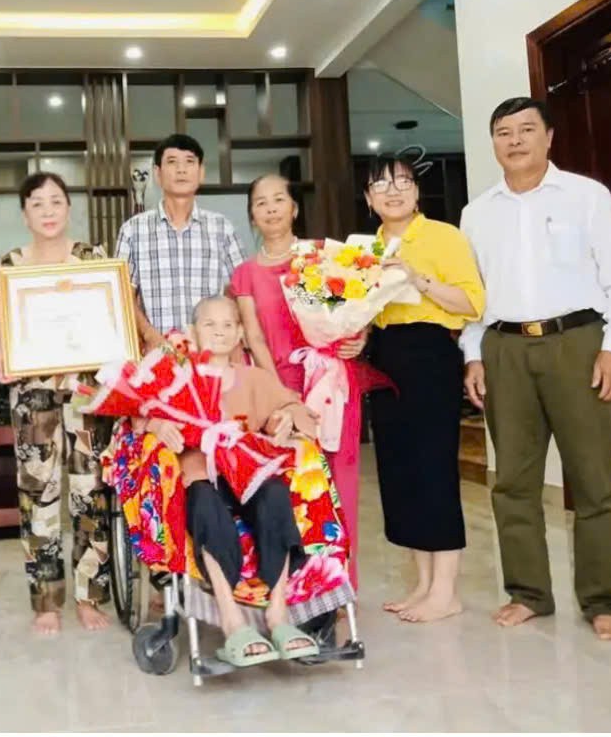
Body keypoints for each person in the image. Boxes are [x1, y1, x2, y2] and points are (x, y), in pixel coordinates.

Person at [461, 97, 611, 642]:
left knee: (592, 479)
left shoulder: (587, 197)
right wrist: (474, 353)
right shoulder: (477, 212)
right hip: (504, 348)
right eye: (502, 132)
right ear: (493, 143)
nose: (514, 140)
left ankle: (604, 600)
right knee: (512, 481)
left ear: (549, 137)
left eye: (525, 130)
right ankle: (528, 593)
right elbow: (475, 296)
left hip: (577, 344)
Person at [143, 296, 321, 665]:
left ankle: (278, 613)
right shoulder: (178, 377)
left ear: (240, 333)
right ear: (193, 333)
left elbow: (293, 407)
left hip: (247, 470)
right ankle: (231, 618)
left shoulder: (254, 378)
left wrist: (285, 418)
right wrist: (157, 424)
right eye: (210, 324)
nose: (220, 331)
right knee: (205, 503)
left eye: (228, 324)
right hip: (199, 474)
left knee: (275, 494)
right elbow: (139, 414)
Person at [362, 154, 485, 623]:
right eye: (380, 185)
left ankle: (446, 590)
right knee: (398, 471)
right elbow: (350, 304)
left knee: (433, 467)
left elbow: (472, 303)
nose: (392, 191)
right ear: (369, 199)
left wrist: (419, 279)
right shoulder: (365, 249)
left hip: (430, 353)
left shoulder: (444, 237)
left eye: (402, 182)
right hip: (384, 356)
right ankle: (422, 583)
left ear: (416, 191)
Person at [229, 173, 365, 591]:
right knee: (289, 487)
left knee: (338, 486)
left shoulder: (322, 258)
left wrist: (359, 337)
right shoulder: (245, 274)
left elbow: (351, 313)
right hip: (276, 386)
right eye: (260, 203)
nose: (270, 209)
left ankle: (341, 587)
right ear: (252, 215)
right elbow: (253, 336)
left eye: (278, 200)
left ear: (294, 207)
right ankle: (295, 586)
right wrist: (282, 397)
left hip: (330, 380)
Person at [0, 172, 111, 635]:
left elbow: (111, 314)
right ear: (24, 213)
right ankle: (45, 601)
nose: (47, 210)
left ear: (68, 208)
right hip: (32, 392)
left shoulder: (92, 258)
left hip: (87, 391)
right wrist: (1, 350)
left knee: (89, 493)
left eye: (56, 201)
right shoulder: (8, 265)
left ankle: (89, 596)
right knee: (38, 495)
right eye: (37, 203)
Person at [116, 134, 245, 345]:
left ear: (201, 172)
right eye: (172, 162)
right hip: (157, 353)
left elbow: (242, 293)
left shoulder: (223, 228)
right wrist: (150, 336)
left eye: (189, 162)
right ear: (157, 174)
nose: (181, 169)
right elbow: (122, 295)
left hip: (213, 353)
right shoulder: (133, 230)